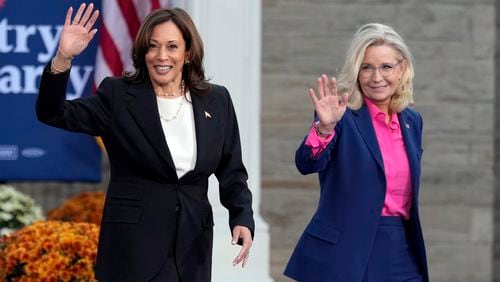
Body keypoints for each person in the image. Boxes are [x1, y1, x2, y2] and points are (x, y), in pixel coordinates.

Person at [36, 3, 254, 282]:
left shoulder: (217, 100)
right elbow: (52, 113)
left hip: (191, 249)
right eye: (153, 46)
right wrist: (63, 57)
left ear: (188, 53)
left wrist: (242, 218)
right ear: (143, 52)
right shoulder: (118, 95)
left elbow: (232, 169)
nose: (162, 56)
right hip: (134, 249)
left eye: (172, 46)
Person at [283, 23, 429, 282]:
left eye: (386, 67)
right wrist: (324, 128)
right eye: (367, 67)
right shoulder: (341, 116)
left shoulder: (412, 121)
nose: (376, 77)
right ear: (356, 71)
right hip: (346, 251)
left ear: (402, 68)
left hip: (400, 249)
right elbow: (306, 163)